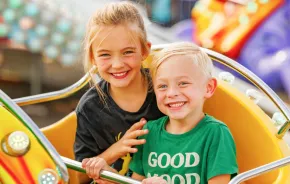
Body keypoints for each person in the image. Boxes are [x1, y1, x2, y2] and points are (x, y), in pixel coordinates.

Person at [86, 42, 238, 184]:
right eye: (163, 86)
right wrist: (109, 175)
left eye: (183, 83)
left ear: (209, 87)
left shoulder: (216, 134)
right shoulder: (148, 132)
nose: (171, 93)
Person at [73, 1, 164, 183]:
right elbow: (79, 177)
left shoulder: (165, 90)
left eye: (127, 52)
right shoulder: (90, 107)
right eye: (105, 55)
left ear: (145, 50)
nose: (117, 64)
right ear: (93, 57)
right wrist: (115, 150)